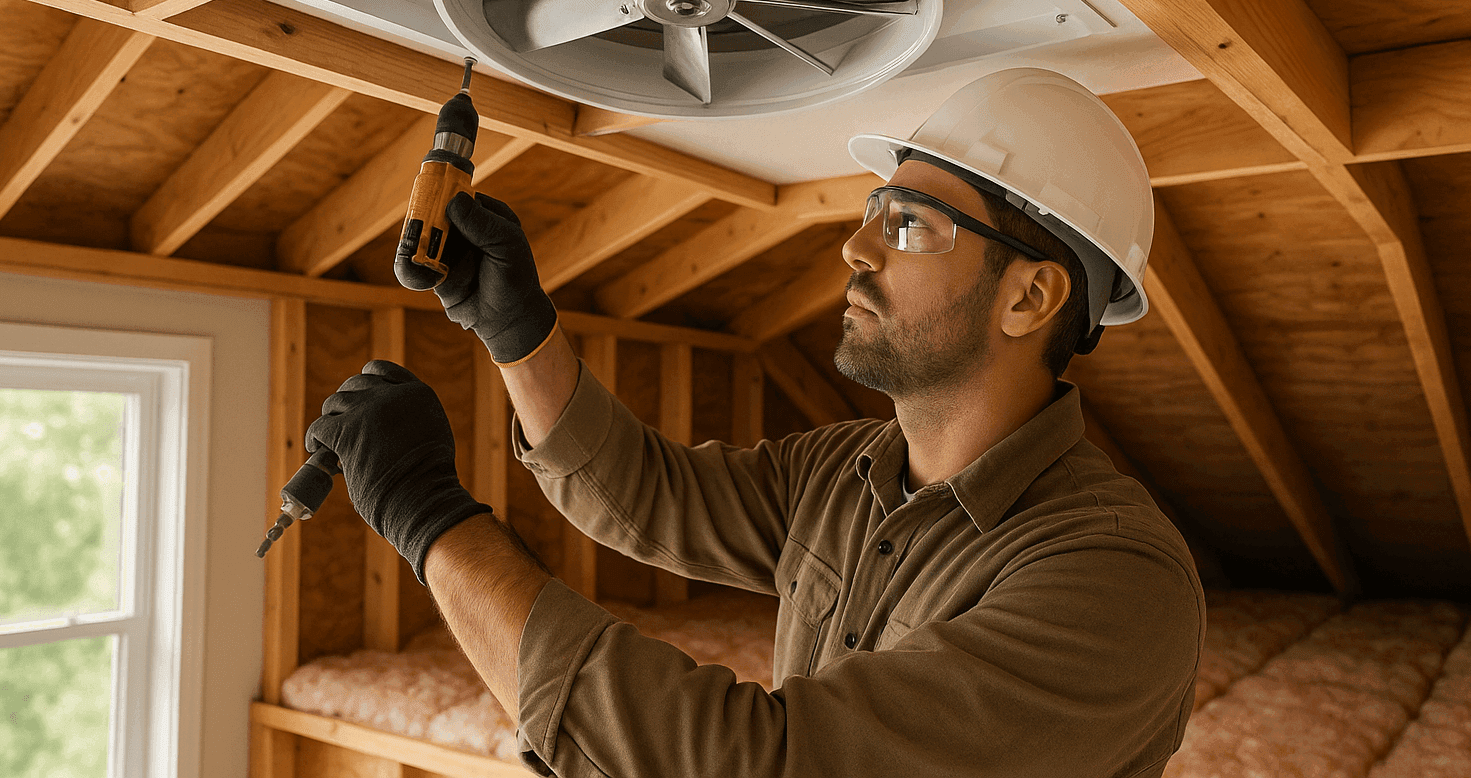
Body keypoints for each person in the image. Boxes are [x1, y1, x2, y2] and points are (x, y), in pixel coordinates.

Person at [306, 68, 1206, 778]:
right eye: (871, 213)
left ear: (1030, 296)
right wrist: (517, 331)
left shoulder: (1114, 577)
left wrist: (433, 523)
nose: (854, 249)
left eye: (910, 227)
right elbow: (652, 499)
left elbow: (763, 763)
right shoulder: (844, 470)